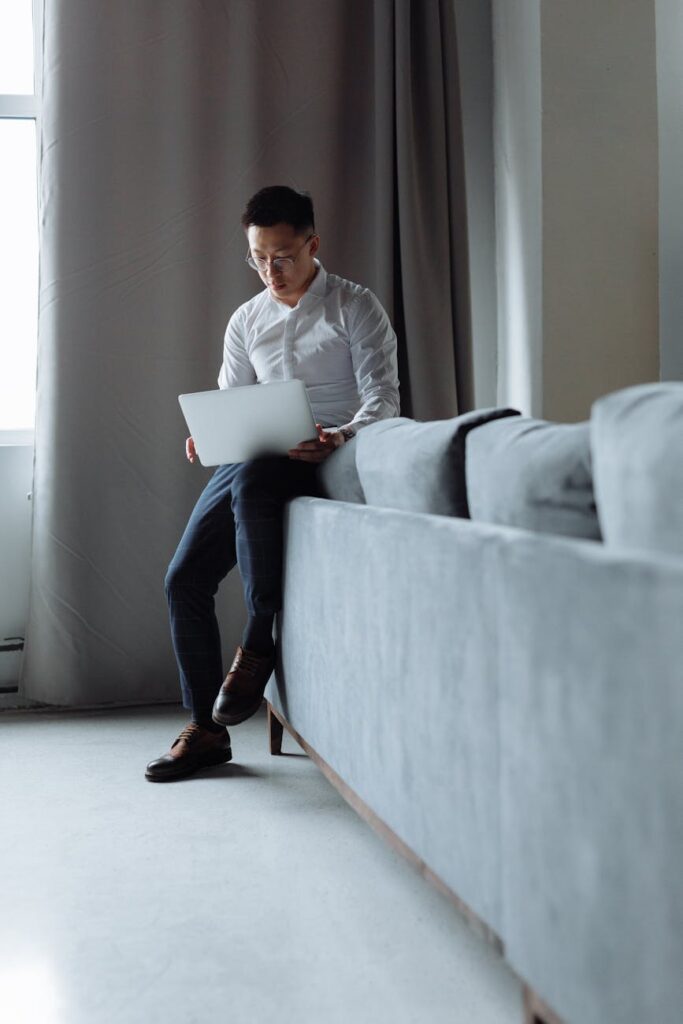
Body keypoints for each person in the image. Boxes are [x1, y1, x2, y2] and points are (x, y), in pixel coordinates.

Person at [145, 186, 399, 781]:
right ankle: (204, 731)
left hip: (324, 451)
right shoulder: (246, 319)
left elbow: (384, 400)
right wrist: (207, 437)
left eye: (282, 256)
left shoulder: (354, 307)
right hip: (254, 457)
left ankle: (258, 641)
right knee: (182, 579)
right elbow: (231, 401)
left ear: (313, 244)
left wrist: (338, 435)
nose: (270, 270)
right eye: (258, 257)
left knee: (259, 473)